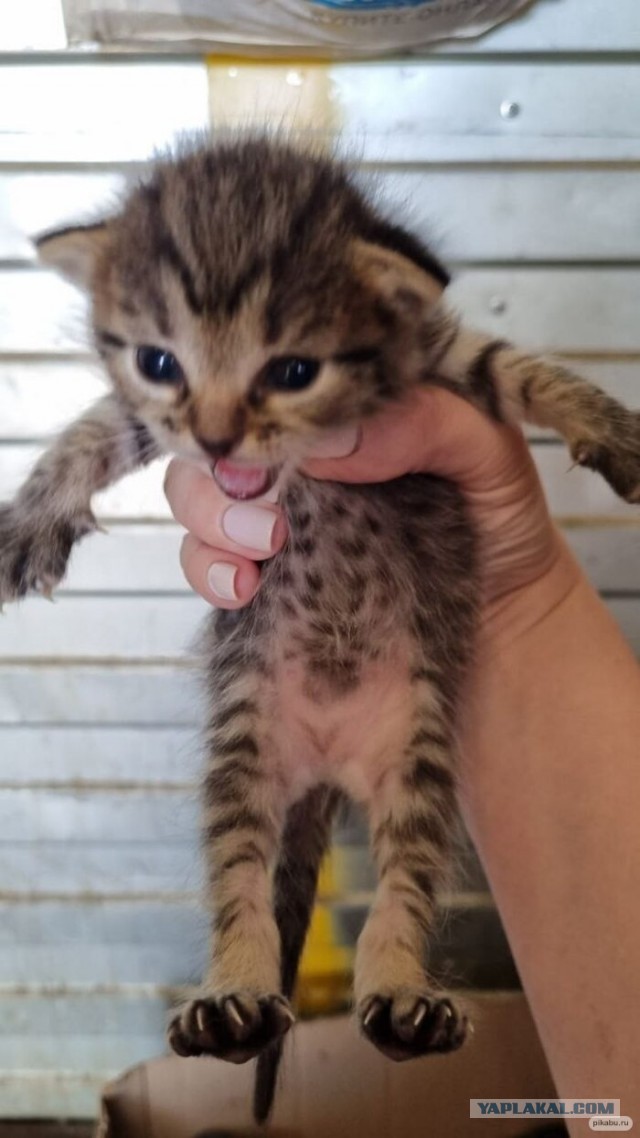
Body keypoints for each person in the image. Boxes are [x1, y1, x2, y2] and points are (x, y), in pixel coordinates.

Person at [164, 385, 640, 1132]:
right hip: (301, 646)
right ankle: (246, 965)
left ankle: (391, 966)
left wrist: (588, 415)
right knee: (252, 785)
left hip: (383, 650)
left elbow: (487, 366)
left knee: (393, 811)